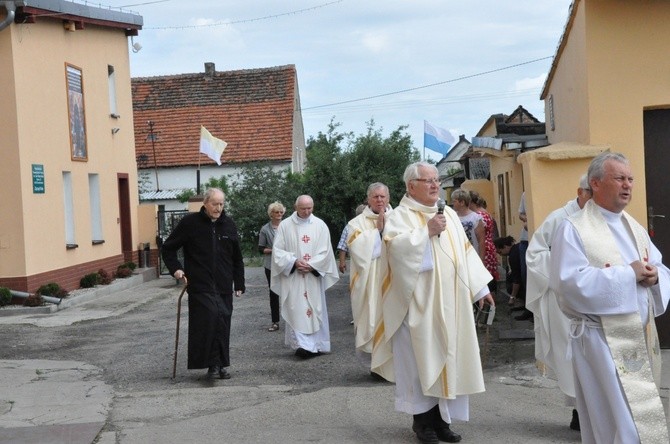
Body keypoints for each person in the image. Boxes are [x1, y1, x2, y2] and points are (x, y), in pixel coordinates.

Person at [549, 152, 670, 443]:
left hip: (638, 339)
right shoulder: (573, 228)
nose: (627, 185)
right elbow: (569, 283)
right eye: (619, 178)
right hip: (600, 341)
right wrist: (629, 275)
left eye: (630, 179)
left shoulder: (634, 227)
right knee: (614, 423)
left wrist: (655, 276)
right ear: (596, 183)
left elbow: (659, 265)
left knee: (639, 420)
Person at [373, 162, 495, 444]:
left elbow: (464, 253)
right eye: (427, 180)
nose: (434, 185)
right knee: (421, 365)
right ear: (410, 185)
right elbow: (394, 252)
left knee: (448, 360)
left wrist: (480, 288)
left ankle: (442, 423)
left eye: (437, 180)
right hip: (417, 305)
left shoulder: (448, 214)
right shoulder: (399, 217)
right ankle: (422, 425)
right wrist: (424, 233)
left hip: (451, 304)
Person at [525, 174, 591, 431]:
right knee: (572, 355)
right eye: (592, 194)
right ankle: (579, 412)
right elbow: (535, 253)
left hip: (593, 298)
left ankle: (592, 412)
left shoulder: (602, 217)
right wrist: (565, 268)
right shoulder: (559, 218)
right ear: (581, 192)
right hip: (565, 298)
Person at [161, 188, 245, 380]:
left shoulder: (228, 224)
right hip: (200, 283)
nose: (218, 208)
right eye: (215, 204)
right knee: (210, 319)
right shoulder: (190, 223)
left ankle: (221, 364)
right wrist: (176, 269)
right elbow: (168, 248)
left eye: (222, 204)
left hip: (223, 283)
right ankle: (213, 365)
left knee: (223, 320)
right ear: (205, 203)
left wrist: (239, 282)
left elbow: (237, 258)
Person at [271, 195, 339, 359]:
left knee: (315, 308)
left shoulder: (320, 225)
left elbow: (326, 251)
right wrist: (294, 262)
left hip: (312, 277)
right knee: (296, 309)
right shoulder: (285, 226)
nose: (307, 211)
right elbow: (277, 251)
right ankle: (302, 346)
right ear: (296, 207)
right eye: (303, 208)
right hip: (294, 277)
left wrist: (312, 265)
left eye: (310, 208)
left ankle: (318, 344)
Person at [345, 183, 392, 374]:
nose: (379, 200)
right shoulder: (356, 223)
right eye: (375, 197)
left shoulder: (400, 218)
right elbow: (356, 249)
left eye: (382, 197)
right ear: (368, 199)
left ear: (388, 198)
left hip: (394, 279)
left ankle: (396, 367)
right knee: (373, 319)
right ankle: (377, 367)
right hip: (370, 284)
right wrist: (378, 232)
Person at [258, 201, 286, 332]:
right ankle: (275, 321)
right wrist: (275, 250)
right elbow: (261, 249)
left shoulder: (287, 226)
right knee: (274, 292)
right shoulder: (265, 229)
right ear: (271, 214)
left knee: (290, 291)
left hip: (287, 264)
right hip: (271, 265)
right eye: (276, 212)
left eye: (281, 212)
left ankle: (293, 320)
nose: (279, 214)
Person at [494, 236, 532, 321]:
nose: (500, 254)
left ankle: (528, 310)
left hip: (527, 279)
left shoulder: (513, 255)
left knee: (511, 286)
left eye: (500, 252)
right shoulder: (518, 247)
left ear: (505, 246)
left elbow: (517, 279)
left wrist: (512, 297)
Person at [469, 192, 499, 290]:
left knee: (485, 279)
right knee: (490, 278)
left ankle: (489, 303)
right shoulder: (486, 213)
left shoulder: (478, 215)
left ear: (470, 202)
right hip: (489, 246)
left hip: (483, 247)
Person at [451, 189, 485, 261]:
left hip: (472, 256)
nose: (452, 203)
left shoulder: (475, 218)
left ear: (462, 202)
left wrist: (482, 260)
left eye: (454, 201)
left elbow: (481, 241)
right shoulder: (452, 217)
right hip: (457, 257)